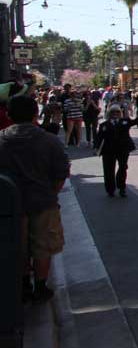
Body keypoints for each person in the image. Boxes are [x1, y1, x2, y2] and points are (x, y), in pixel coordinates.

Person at [0, 94, 70, 302]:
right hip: (43, 202)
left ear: (8, 114)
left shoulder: (1, 139)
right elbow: (60, 173)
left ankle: (23, 284)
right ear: (34, 114)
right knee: (43, 246)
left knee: (17, 245)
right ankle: (40, 285)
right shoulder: (49, 140)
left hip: (10, 207)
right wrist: (51, 193)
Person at [94, 105, 138, 198]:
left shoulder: (125, 121)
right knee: (108, 170)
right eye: (113, 112)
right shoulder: (104, 125)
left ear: (120, 113)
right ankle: (110, 189)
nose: (115, 114)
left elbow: (136, 121)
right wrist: (96, 147)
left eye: (117, 112)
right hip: (108, 150)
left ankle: (121, 188)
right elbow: (99, 138)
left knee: (123, 168)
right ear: (109, 114)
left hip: (123, 149)